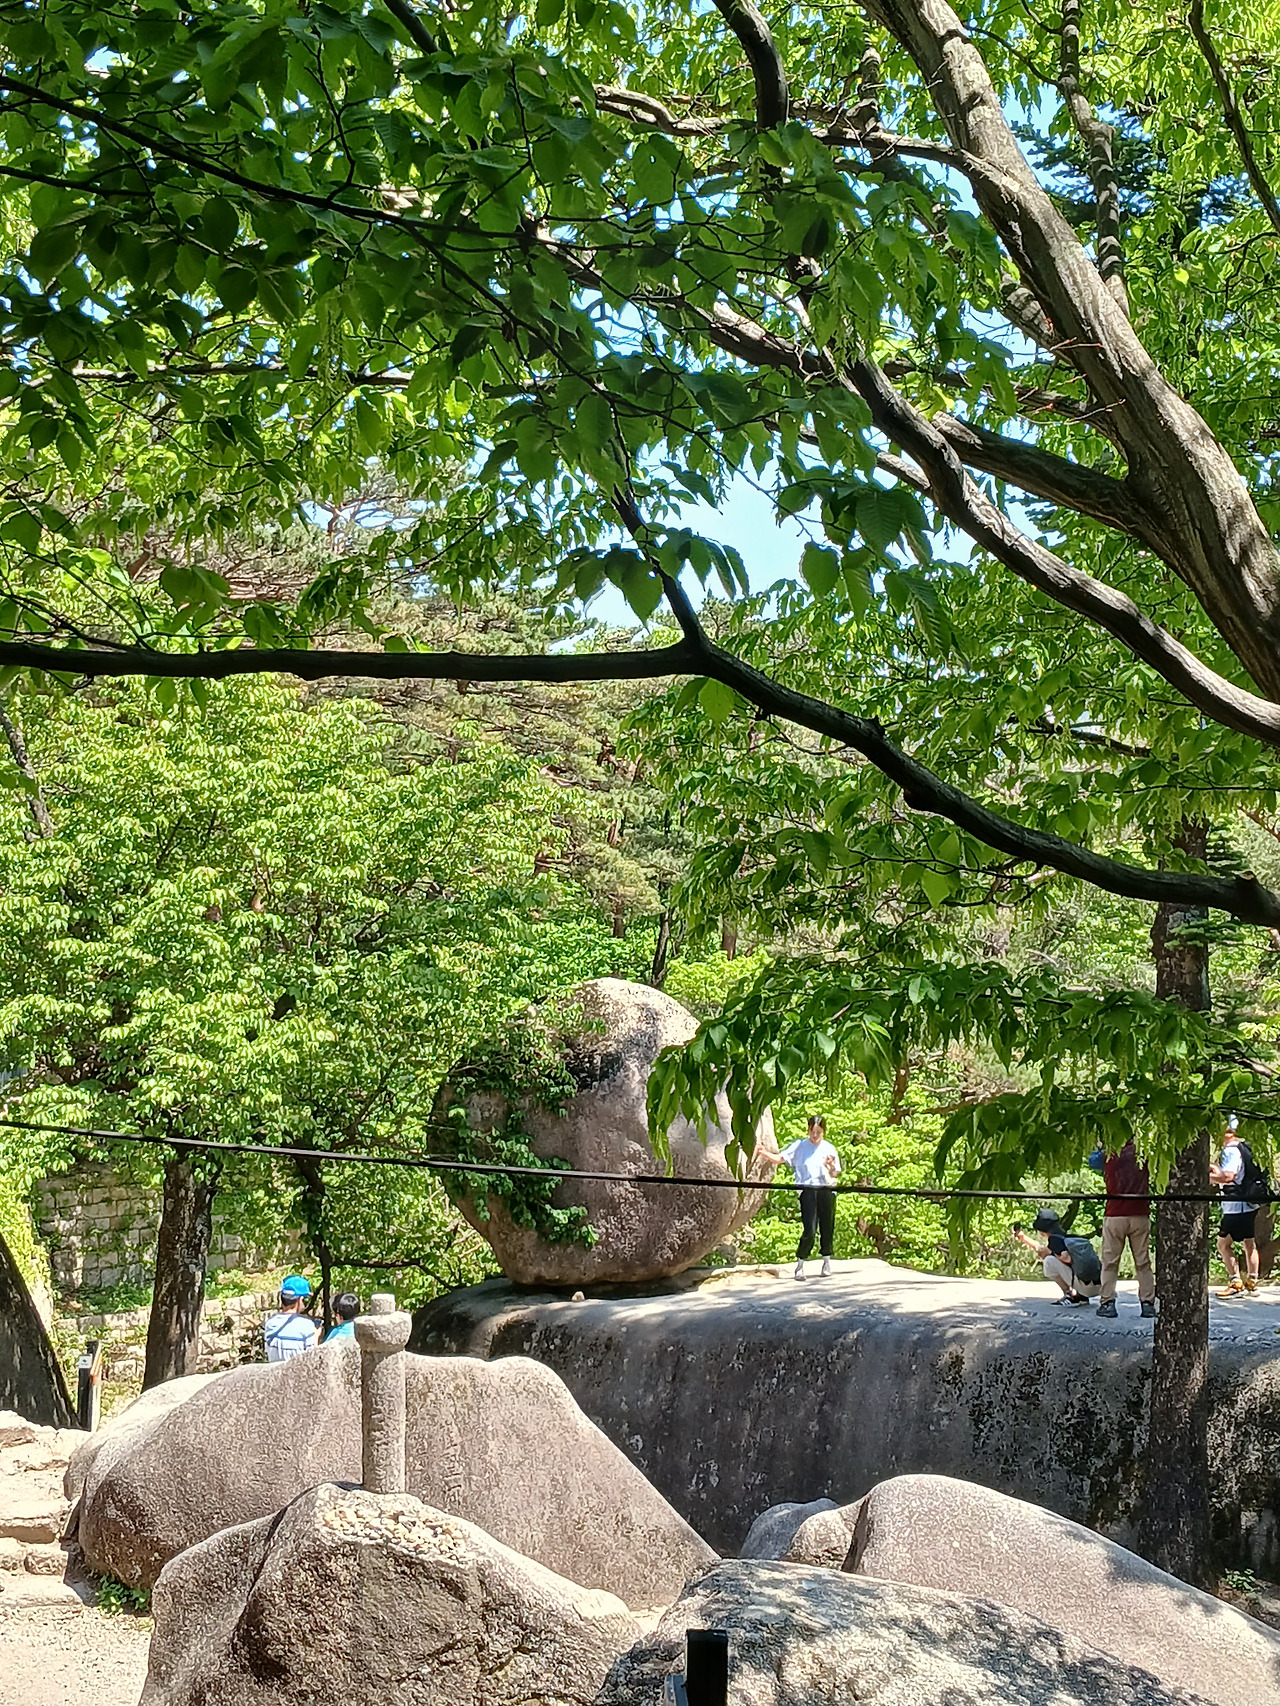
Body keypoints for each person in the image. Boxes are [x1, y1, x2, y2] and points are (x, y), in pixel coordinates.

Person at [763, 1115, 841, 1280]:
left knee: (827, 1227)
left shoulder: (829, 1148)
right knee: (810, 1229)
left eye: (818, 1132)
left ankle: (826, 1261)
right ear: (808, 1130)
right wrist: (762, 1152)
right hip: (807, 1189)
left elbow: (835, 1174)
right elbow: (780, 1158)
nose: (815, 1135)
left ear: (823, 1132)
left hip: (826, 1189)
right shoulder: (799, 1146)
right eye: (812, 1131)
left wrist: (830, 1166)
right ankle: (800, 1263)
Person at [1096, 1139, 1156, 1320]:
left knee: (1110, 1261)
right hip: (1140, 1212)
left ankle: (1107, 1302)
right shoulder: (1144, 1153)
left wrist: (1100, 1146)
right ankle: (1147, 1303)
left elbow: (1093, 1162)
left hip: (1115, 1213)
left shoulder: (1110, 1153)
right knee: (1143, 1262)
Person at [1211, 1115, 1262, 1298]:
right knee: (1249, 1242)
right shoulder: (1245, 1147)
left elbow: (1228, 1176)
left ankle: (1235, 1283)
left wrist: (1207, 1177)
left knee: (1223, 1244)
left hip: (1235, 1206)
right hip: (1249, 1203)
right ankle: (1252, 1282)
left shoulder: (1230, 1151)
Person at [1013, 1209, 1102, 1306]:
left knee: (1049, 1261)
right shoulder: (1068, 1238)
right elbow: (1042, 1249)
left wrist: (1052, 1254)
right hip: (1098, 1286)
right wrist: (1024, 1238)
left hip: (1086, 1288)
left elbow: (1066, 1258)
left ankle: (1068, 1294)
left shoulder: (1054, 1240)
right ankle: (1081, 1297)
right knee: (1068, 1264)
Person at [263, 1274, 320, 1362]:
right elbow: (312, 1359)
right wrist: (315, 1336)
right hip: (297, 1370)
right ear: (300, 1300)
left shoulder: (270, 1323)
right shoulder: (307, 1326)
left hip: (274, 1369)